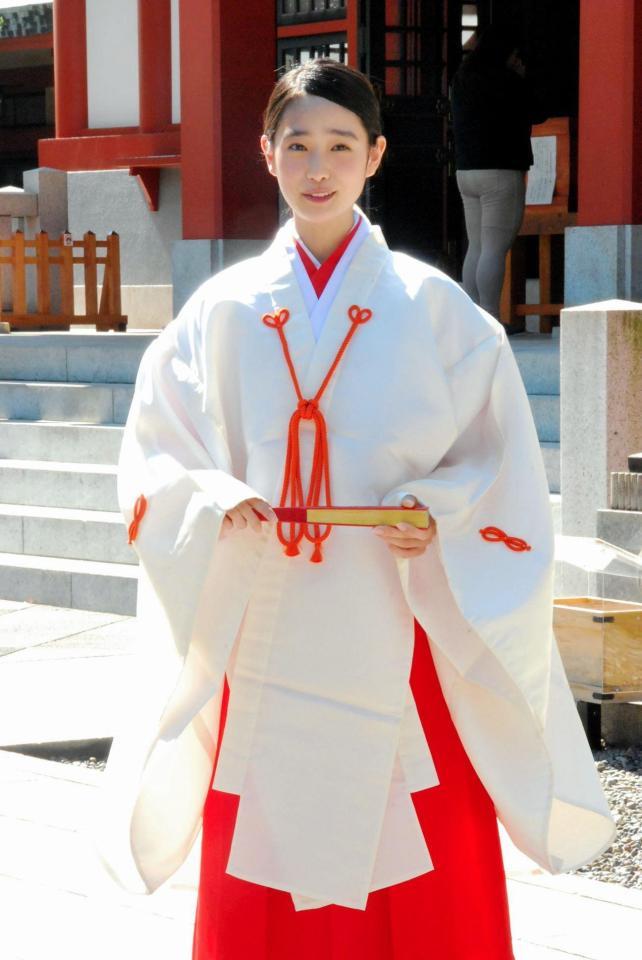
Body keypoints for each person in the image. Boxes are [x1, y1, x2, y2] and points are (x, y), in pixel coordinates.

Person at [95, 60, 614, 960]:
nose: (318, 167)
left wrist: (440, 511)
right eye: (297, 145)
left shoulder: (437, 310)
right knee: (267, 863)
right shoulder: (216, 313)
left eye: (341, 146)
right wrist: (217, 500)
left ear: (375, 156)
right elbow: (157, 456)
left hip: (400, 617)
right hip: (267, 622)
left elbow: (495, 463)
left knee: (424, 858)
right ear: (266, 154)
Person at [451, 24, 547, 331]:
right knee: (495, 247)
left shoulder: (462, 78)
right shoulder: (506, 79)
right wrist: (521, 76)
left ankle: (472, 319)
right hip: (501, 169)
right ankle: (490, 317)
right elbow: (537, 110)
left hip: (466, 170)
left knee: (476, 246)